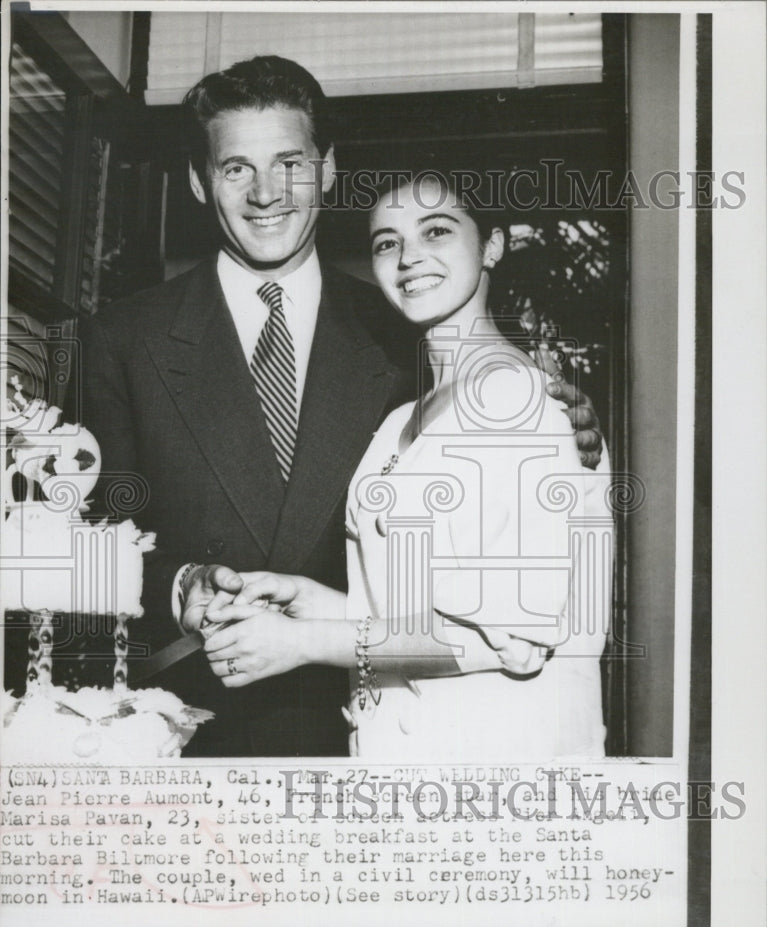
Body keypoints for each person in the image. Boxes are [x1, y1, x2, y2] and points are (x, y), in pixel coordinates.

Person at [76, 55, 603, 757]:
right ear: (201, 183)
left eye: (289, 163)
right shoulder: (120, 338)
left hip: (387, 726)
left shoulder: (406, 325)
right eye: (236, 168)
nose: (266, 194)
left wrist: (572, 423)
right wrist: (179, 585)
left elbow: (518, 549)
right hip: (189, 730)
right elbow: (80, 547)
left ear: (326, 169)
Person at [198, 175, 611, 760]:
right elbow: (407, 616)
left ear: (492, 245)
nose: (409, 256)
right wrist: (303, 598)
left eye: (436, 230)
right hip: (398, 755)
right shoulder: (400, 421)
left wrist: (303, 643)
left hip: (502, 761)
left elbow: (514, 637)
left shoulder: (524, 404)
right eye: (387, 242)